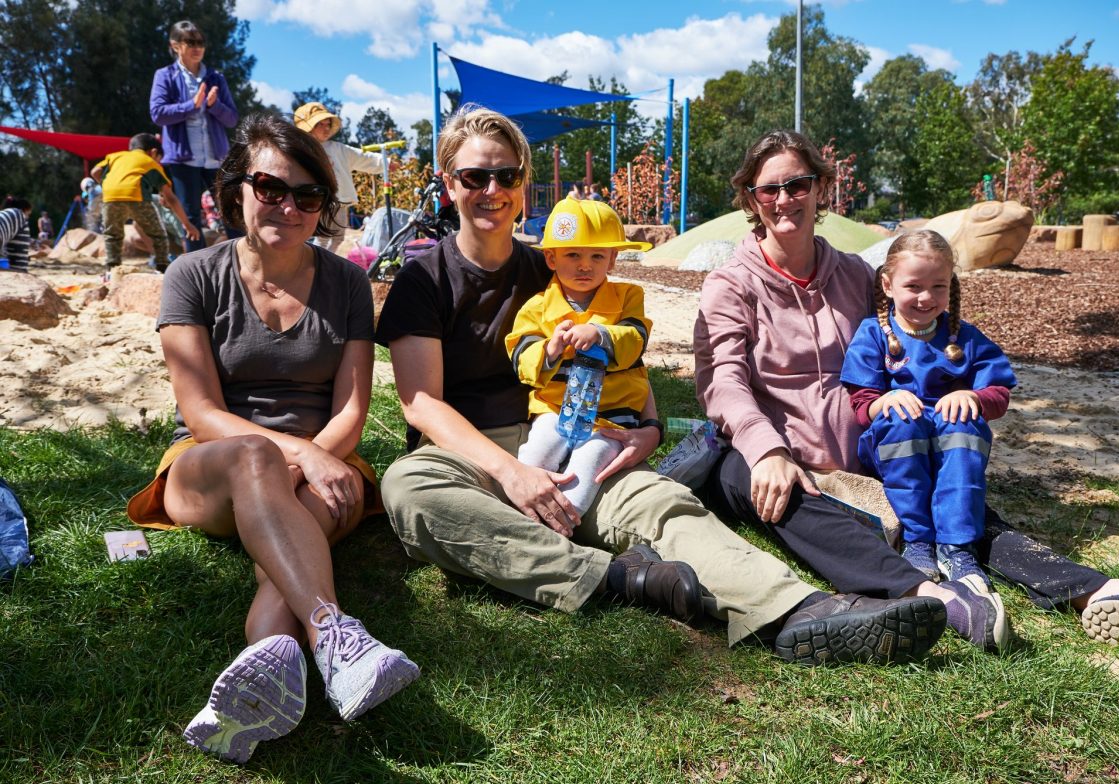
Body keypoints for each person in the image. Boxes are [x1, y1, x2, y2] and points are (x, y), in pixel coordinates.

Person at [375, 105, 947, 667]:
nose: (492, 189)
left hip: (587, 437)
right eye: (476, 177)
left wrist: (647, 427)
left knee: (665, 506)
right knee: (408, 488)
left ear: (524, 185)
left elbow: (623, 353)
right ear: (449, 185)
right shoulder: (425, 277)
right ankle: (618, 578)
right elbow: (421, 402)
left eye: (508, 175)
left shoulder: (558, 264)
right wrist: (514, 473)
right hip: (473, 455)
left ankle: (799, 609)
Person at [694, 128, 1119, 658]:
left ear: (821, 187)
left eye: (796, 184)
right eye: (767, 189)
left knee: (952, 497)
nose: (782, 200)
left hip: (873, 450)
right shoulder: (731, 285)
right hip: (776, 452)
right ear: (750, 198)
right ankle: (929, 594)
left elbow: (920, 344)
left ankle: (1098, 592)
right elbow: (721, 380)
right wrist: (767, 449)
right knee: (770, 488)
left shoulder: (857, 275)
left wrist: (958, 403)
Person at [125, 114, 419, 764]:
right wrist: (299, 454)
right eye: (269, 187)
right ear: (238, 191)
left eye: (306, 195)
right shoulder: (193, 276)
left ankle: (260, 672)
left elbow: (352, 407)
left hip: (327, 462)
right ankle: (333, 635)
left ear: (323, 208)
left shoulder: (345, 283)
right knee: (258, 456)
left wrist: (318, 456)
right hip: (213, 466)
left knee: (282, 536)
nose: (287, 205)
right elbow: (200, 412)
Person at [840, 230, 1017, 585]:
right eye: (914, 287)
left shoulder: (963, 337)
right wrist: (883, 401)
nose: (926, 297)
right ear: (888, 285)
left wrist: (974, 398)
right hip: (897, 445)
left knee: (964, 426)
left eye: (938, 287)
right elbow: (860, 404)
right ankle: (918, 539)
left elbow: (999, 393)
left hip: (950, 442)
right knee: (902, 422)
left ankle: (957, 546)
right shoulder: (874, 334)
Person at [505, 197, 654, 519]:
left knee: (588, 467)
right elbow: (520, 355)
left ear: (612, 260)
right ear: (551, 258)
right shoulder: (537, 307)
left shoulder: (629, 297)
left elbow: (636, 340)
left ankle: (565, 519)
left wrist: (600, 334)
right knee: (535, 455)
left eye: (597, 255)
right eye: (573, 254)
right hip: (555, 410)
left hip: (610, 418)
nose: (585, 265)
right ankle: (521, 512)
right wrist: (550, 349)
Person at [149, 20, 239, 253]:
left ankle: (242, 265)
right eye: (191, 42)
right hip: (182, 159)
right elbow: (157, 114)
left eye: (201, 42)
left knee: (232, 213)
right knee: (189, 218)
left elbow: (232, 119)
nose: (198, 47)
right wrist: (192, 105)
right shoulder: (165, 76)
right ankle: (197, 275)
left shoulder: (216, 78)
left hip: (217, 158)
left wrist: (214, 105)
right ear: (175, 45)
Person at [91, 133, 199, 270]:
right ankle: (162, 267)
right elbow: (170, 197)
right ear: (153, 152)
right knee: (157, 235)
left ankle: (112, 269)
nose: (159, 162)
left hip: (110, 198)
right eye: (159, 159)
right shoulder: (150, 163)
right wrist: (187, 224)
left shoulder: (115, 156)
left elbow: (95, 171)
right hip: (137, 198)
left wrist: (108, 186)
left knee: (112, 235)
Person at [293, 101, 386, 254]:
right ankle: (314, 263)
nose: (326, 128)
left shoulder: (338, 149)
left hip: (339, 200)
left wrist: (386, 162)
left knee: (338, 237)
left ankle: (325, 262)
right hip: (318, 200)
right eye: (320, 124)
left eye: (328, 124)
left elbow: (363, 157)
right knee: (321, 236)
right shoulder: (301, 150)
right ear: (308, 128)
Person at [0, 197, 32, 270]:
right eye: (28, 215)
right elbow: (20, 263)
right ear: (25, 210)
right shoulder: (20, 217)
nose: (28, 218)